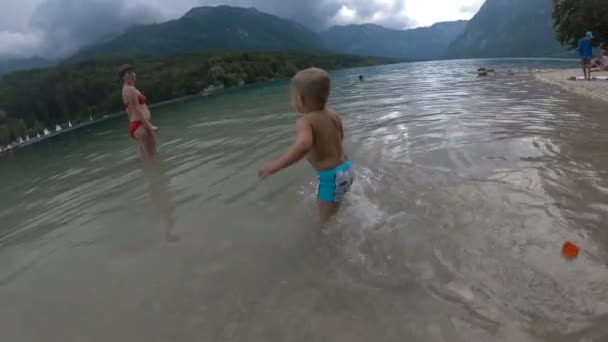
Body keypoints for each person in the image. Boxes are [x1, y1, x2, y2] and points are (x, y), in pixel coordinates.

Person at [259, 68, 354, 227]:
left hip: (331, 177)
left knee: (326, 223)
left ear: (300, 100)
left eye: (292, 98)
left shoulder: (305, 121)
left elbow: (303, 146)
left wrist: (275, 166)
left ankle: (328, 246)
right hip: (347, 168)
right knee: (335, 206)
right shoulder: (333, 114)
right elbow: (340, 137)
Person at [119, 64, 158, 160]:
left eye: (132, 72)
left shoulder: (126, 89)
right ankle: (154, 174)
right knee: (152, 157)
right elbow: (137, 110)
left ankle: (149, 174)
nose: (132, 74)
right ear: (123, 77)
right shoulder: (130, 90)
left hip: (137, 126)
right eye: (128, 73)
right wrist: (150, 127)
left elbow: (129, 111)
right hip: (141, 125)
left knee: (146, 158)